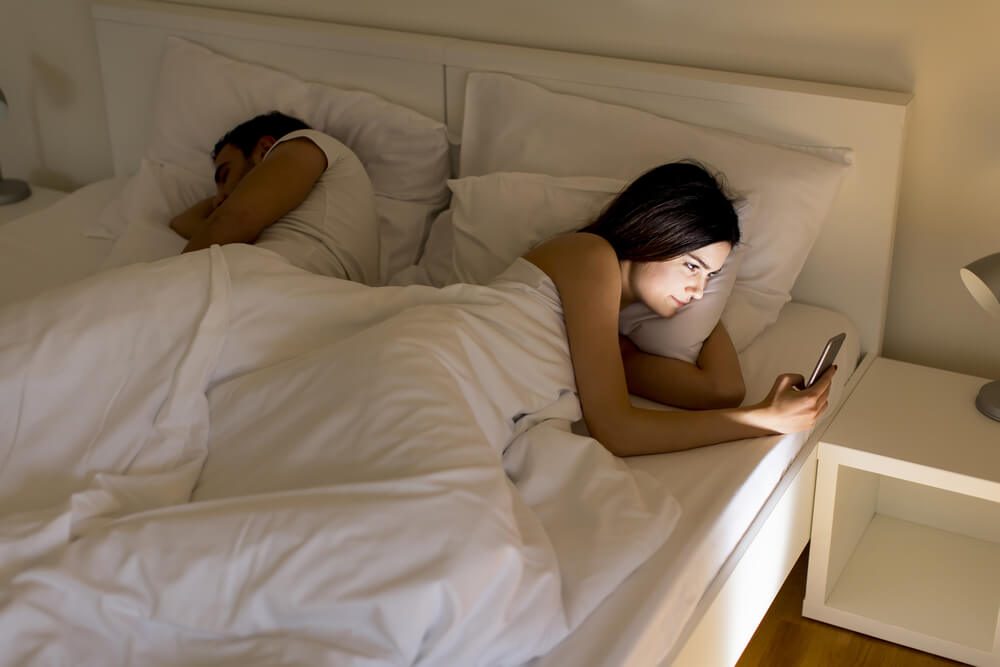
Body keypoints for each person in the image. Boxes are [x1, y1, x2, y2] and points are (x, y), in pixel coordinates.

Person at [524, 161, 835, 457]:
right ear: (653, 231)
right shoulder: (588, 254)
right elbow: (616, 430)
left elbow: (721, 390)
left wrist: (708, 310)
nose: (699, 292)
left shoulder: (617, 347)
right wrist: (764, 420)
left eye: (710, 276)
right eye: (691, 266)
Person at [169, 111, 379, 284]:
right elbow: (182, 223)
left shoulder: (311, 143)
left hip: (282, 288)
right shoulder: (289, 218)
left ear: (265, 149)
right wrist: (227, 194)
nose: (217, 200)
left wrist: (168, 284)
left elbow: (234, 217)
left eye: (225, 174)